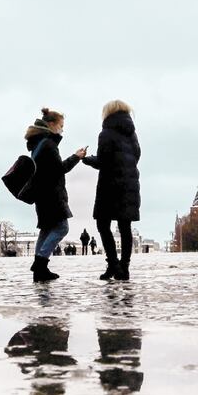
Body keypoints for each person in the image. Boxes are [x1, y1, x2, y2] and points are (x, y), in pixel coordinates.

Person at [24, 107, 87, 282]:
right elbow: (59, 169)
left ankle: (40, 269)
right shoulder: (49, 145)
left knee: (46, 229)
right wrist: (76, 157)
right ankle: (40, 264)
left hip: (41, 194)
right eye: (61, 125)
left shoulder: (38, 144)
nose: (62, 129)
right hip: (51, 194)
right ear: (51, 124)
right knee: (61, 228)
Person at [82, 100, 141, 281]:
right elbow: (137, 155)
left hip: (110, 185)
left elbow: (102, 161)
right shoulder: (132, 134)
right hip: (130, 184)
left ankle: (113, 265)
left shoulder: (106, 133)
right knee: (125, 227)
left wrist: (86, 159)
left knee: (102, 224)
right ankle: (124, 268)